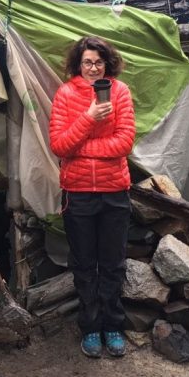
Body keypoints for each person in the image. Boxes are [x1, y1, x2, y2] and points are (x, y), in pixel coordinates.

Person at [49, 35, 136, 358]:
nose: (93, 68)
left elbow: (124, 143)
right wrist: (88, 119)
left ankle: (113, 326)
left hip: (115, 192)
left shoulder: (120, 92)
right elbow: (59, 146)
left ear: (107, 64)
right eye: (87, 62)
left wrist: (82, 152)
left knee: (112, 264)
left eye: (99, 62)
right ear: (78, 63)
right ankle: (90, 328)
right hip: (78, 193)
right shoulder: (66, 94)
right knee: (85, 264)